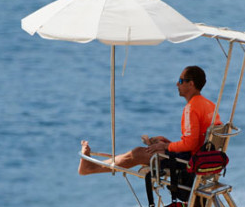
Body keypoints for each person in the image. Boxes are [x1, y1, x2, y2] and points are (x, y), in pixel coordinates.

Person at [79, 66, 220, 175]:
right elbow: (196, 141)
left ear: (191, 84)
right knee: (153, 146)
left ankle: (90, 168)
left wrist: (166, 147)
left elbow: (191, 143)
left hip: (188, 162)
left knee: (138, 153)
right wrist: (169, 144)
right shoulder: (210, 105)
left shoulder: (191, 108)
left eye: (181, 80)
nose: (177, 84)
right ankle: (93, 166)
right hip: (201, 158)